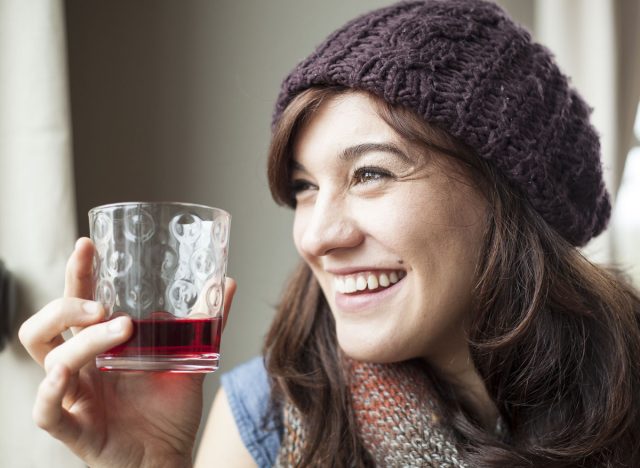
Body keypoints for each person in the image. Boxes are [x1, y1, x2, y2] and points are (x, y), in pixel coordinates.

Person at [19, 0, 640, 466]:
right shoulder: (265, 420)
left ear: (511, 194)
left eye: (370, 173)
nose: (316, 236)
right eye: (304, 188)